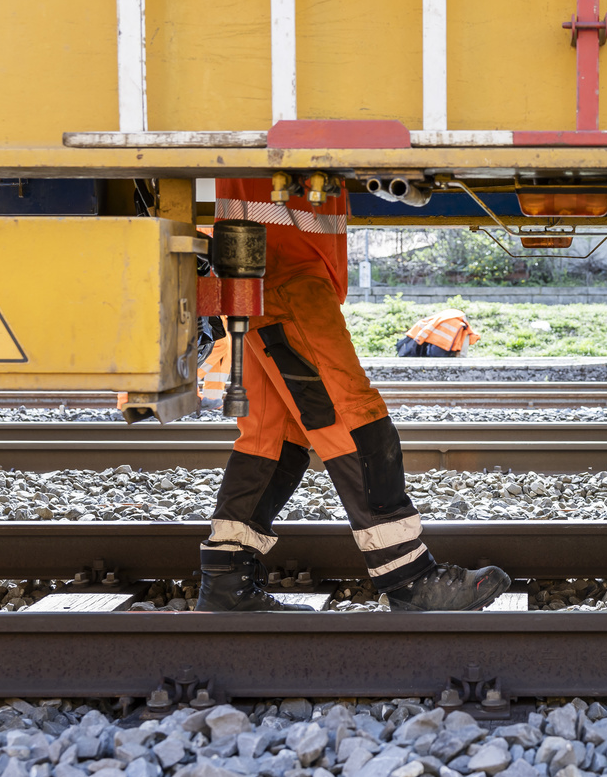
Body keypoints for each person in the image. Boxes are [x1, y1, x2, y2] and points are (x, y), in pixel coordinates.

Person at [195, 178, 510, 612]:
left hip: (263, 270)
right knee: (355, 421)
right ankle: (408, 577)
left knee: (272, 437)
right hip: (287, 269)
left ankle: (226, 581)